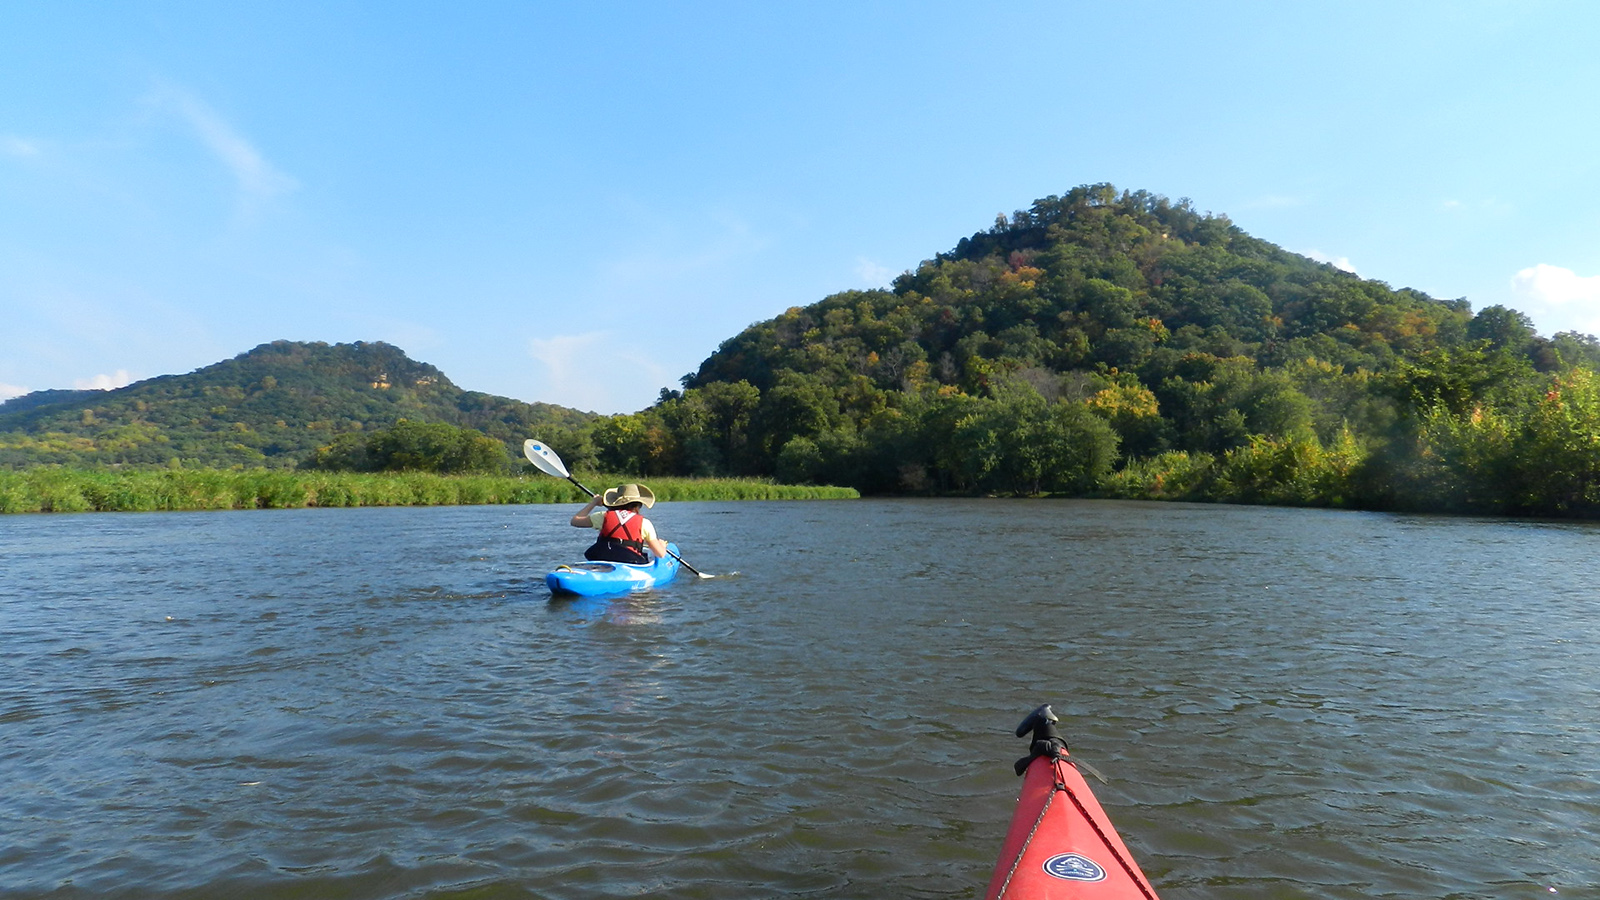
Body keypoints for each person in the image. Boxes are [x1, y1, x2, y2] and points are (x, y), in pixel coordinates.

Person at [569, 482, 668, 564]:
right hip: (630, 560)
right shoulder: (644, 523)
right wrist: (662, 546)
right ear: (638, 505)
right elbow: (660, 554)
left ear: (615, 502)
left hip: (601, 557)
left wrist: (593, 503)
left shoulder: (603, 516)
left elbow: (575, 521)